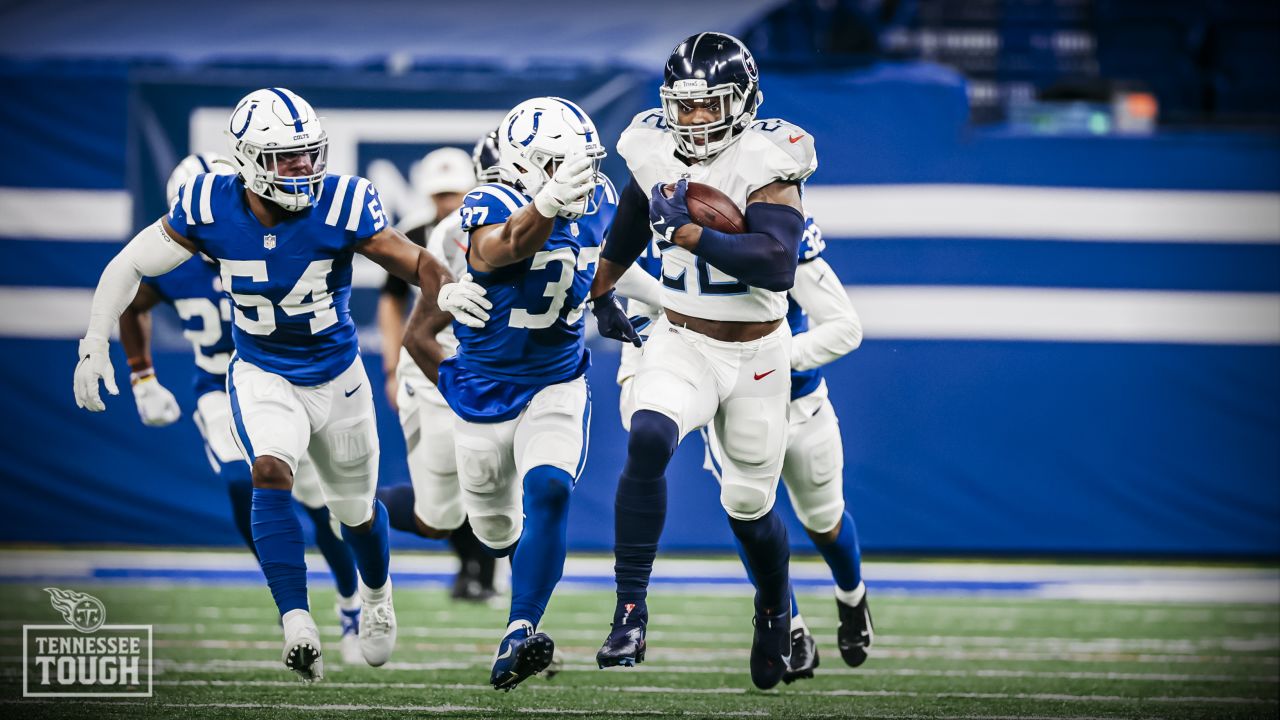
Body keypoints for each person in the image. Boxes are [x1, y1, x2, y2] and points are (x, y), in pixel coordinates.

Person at [72, 87, 477, 683]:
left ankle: (375, 593)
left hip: (338, 375)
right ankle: (297, 621)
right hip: (260, 369)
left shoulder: (342, 202)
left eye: (310, 154)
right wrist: (94, 342)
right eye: (288, 158)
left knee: (354, 512)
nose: (304, 168)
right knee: (267, 471)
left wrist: (445, 301)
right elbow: (129, 265)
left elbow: (415, 263)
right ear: (249, 160)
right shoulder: (207, 204)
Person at [587, 32, 813, 690]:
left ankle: (774, 608)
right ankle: (630, 609)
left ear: (740, 103)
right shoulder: (650, 142)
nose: (691, 121)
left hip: (757, 352)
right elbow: (634, 208)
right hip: (682, 335)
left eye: (706, 106)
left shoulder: (769, 157)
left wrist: (691, 232)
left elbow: (776, 263)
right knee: (649, 435)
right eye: (681, 107)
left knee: (749, 505)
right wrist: (602, 286)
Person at [118, 152, 366, 666]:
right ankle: (291, 608)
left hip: (290, 383)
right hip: (218, 384)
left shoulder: (277, 239)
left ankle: (350, 604)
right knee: (242, 480)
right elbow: (129, 301)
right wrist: (142, 375)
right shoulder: (174, 264)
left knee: (324, 507)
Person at [429, 96, 622, 691]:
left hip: (557, 379)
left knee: (551, 488)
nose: (580, 175)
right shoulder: (490, 199)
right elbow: (501, 248)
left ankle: (519, 629)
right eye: (562, 163)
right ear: (526, 164)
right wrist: (546, 203)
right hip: (485, 389)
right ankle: (509, 566)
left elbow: (609, 258)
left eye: (582, 162)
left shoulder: (604, 198)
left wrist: (616, 296)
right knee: (491, 526)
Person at [701, 216, 874, 682]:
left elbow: (845, 328)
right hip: (732, 408)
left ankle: (853, 597)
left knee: (824, 521)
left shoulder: (778, 226)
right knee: (750, 520)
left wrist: (775, 359)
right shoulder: (679, 224)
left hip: (799, 404)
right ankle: (791, 628)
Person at [375, 143, 496, 602]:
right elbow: (391, 301)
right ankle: (361, 506)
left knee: (487, 473)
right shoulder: (412, 233)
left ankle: (486, 575)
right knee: (443, 496)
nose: (449, 204)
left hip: (482, 364)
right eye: (440, 195)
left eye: (455, 194)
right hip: (429, 364)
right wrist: (392, 366)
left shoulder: (493, 223)